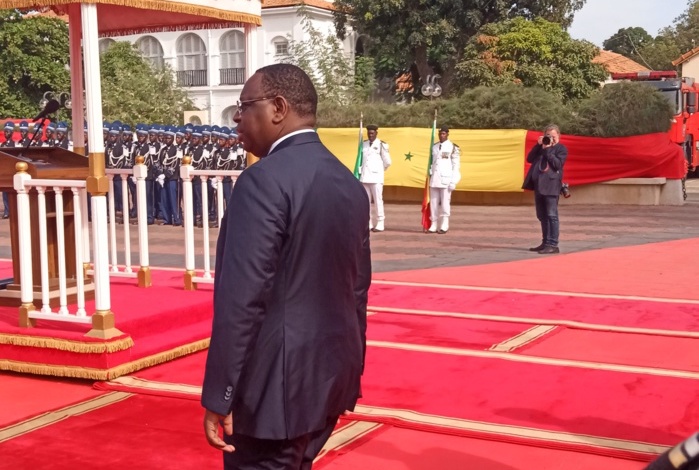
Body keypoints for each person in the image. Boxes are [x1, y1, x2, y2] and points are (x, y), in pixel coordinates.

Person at [201, 63, 371, 470]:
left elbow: (242, 301)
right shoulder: (347, 181)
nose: (238, 118)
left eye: (245, 106)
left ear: (278, 107)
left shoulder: (262, 181)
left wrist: (221, 394)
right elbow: (358, 289)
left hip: (272, 390)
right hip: (328, 376)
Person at [523, 124, 568, 254]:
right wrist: (539, 145)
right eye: (548, 136)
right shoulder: (542, 146)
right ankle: (545, 242)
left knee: (552, 215)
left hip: (551, 186)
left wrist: (548, 150)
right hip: (538, 186)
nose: (551, 138)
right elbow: (530, 159)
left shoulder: (561, 149)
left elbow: (557, 165)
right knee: (541, 215)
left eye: (553, 136)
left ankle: (553, 244)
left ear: (558, 135)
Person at [428, 126, 461, 234]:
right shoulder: (435, 146)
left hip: (446, 180)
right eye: (440, 134)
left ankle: (444, 224)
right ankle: (433, 223)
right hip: (435, 179)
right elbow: (433, 162)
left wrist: (454, 181)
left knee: (445, 203)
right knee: (433, 203)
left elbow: (456, 166)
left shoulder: (453, 147)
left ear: (447, 134)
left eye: (443, 134)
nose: (441, 136)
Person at [358, 124, 391, 232]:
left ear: (376, 133)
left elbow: (387, 162)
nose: (370, 135)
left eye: (372, 133)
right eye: (369, 133)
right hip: (365, 177)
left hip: (376, 177)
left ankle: (380, 222)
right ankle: (369, 222)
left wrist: (379, 171)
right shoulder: (364, 144)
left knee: (378, 201)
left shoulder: (381, 145)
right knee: (365, 202)